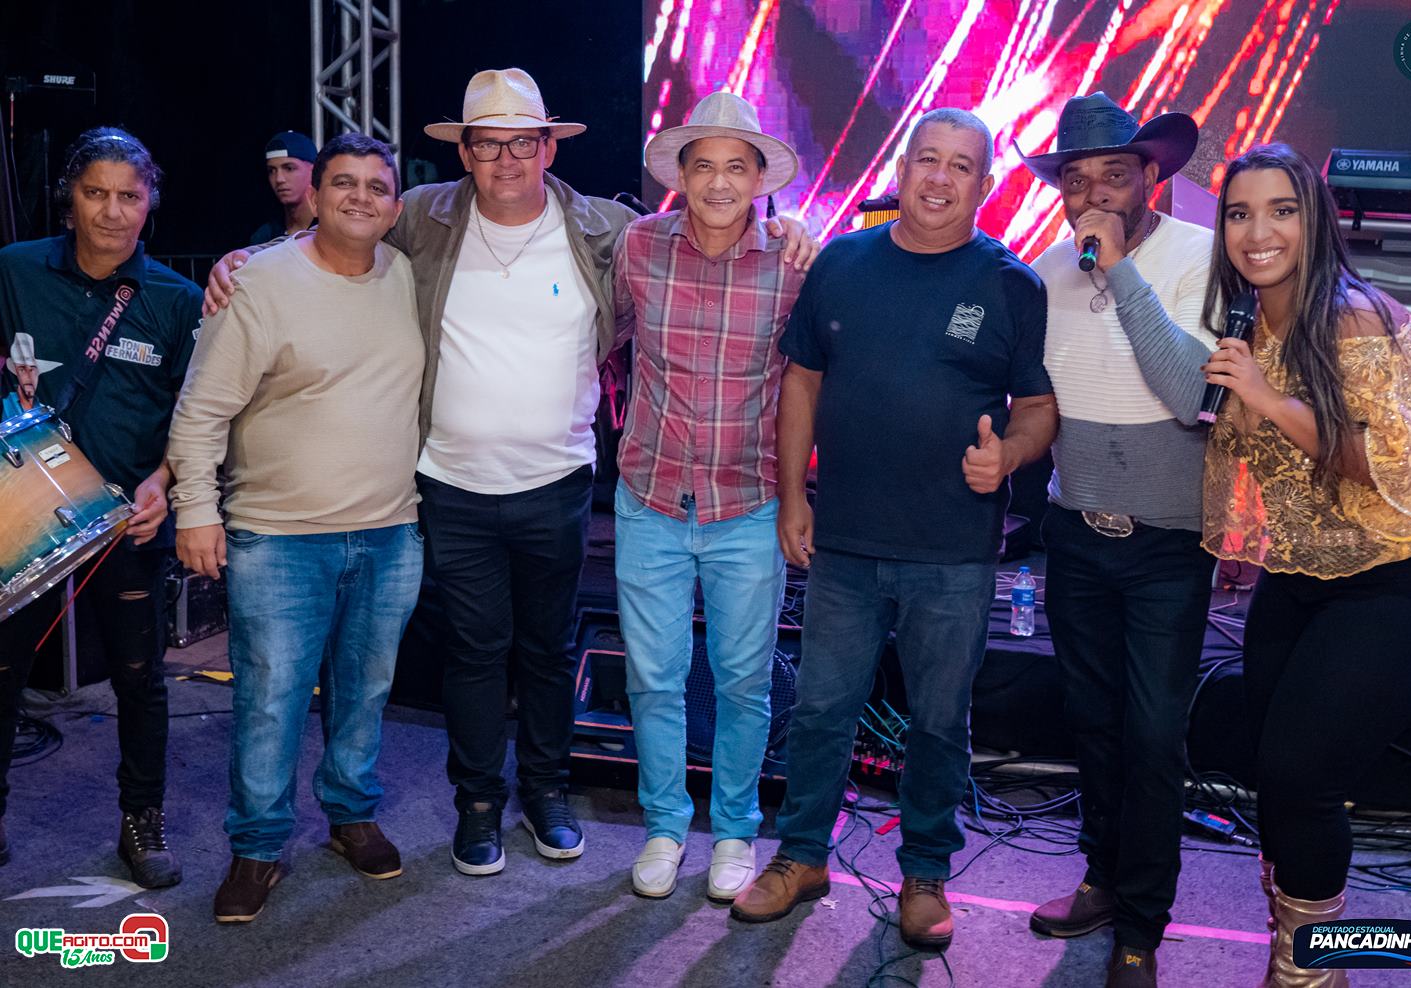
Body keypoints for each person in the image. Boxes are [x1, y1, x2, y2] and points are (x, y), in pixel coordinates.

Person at [202, 68, 816, 877]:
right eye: (487, 145)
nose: (505, 160)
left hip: (565, 483)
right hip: (453, 483)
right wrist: (255, 257)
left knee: (554, 654)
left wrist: (794, 228)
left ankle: (551, 795)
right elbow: (344, 228)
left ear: (548, 147)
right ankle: (481, 806)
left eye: (522, 143)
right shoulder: (429, 217)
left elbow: (777, 343)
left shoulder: (606, 229)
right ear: (464, 153)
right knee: (476, 653)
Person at [731, 108, 1058, 952]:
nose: (939, 178)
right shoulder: (842, 264)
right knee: (820, 711)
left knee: (939, 722)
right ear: (903, 169)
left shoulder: (1011, 284)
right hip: (844, 541)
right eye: (926, 159)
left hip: (953, 551)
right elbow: (802, 382)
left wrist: (1011, 454)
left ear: (983, 185)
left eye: (960, 166)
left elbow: (1037, 407)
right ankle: (801, 856)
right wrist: (793, 497)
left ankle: (925, 872)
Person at [1200, 142, 1411, 987]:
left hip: (1400, 575)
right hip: (1304, 573)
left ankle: (1307, 974)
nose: (1259, 232)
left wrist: (1265, 398)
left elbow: (1384, 468)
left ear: (1314, 219)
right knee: (1273, 771)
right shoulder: (1246, 324)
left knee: (1302, 775)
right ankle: (1301, 954)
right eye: (1240, 213)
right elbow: (1260, 457)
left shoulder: (1358, 318)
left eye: (1281, 210)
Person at [169, 133, 424, 923]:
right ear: (314, 195)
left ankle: (350, 815)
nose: (359, 198)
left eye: (376, 187)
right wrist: (196, 510)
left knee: (366, 692)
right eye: (343, 183)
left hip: (390, 531)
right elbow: (200, 411)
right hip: (278, 537)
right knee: (271, 700)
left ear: (395, 207)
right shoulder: (259, 281)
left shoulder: (406, 275)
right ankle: (257, 847)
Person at [1015, 93, 1215, 987]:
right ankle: (1102, 878)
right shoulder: (1047, 272)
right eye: (1076, 178)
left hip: (1167, 543)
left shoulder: (1200, 257)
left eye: (1114, 174)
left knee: (1153, 734)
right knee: (1093, 722)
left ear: (1151, 177)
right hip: (1076, 535)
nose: (1093, 193)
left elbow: (1190, 396)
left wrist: (1122, 270)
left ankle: (1141, 925)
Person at [612, 91, 805, 901]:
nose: (718, 182)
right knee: (653, 679)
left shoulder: (795, 263)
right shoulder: (637, 247)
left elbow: (812, 381)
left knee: (743, 683)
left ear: (759, 178)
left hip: (748, 503)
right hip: (650, 496)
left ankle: (734, 833)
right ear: (680, 176)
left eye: (735, 166)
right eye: (703, 166)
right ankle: (663, 826)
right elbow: (603, 336)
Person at [0, 126, 202, 885]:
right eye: (96, 194)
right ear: (70, 198)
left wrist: (166, 482)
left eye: (129, 195)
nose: (113, 212)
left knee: (139, 679)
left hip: (127, 519)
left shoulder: (177, 299)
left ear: (150, 202)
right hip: (25, 515)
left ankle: (142, 822)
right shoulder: (15, 270)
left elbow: (199, 413)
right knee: (3, 673)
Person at [249, 131, 317, 244]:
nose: (279, 179)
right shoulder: (265, 237)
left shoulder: (330, 230)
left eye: (289, 168)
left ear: (314, 171)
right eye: (272, 171)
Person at [2, 333, 62, 416]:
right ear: (16, 373)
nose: (28, 376)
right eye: (22, 370)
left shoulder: (46, 404)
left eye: (32, 370)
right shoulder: (6, 402)